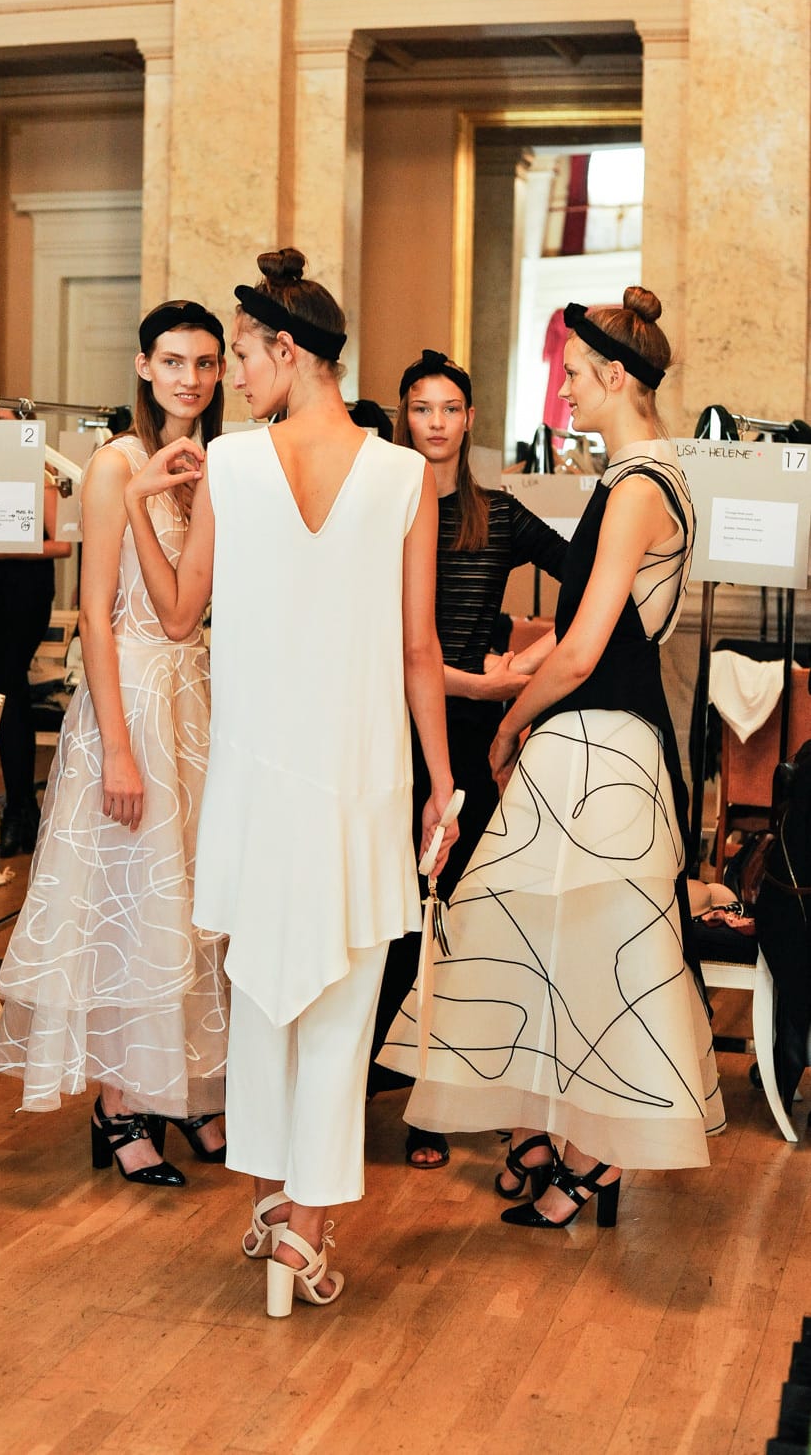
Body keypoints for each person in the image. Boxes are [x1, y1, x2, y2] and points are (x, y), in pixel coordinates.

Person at [123, 249, 458, 1314]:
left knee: (265, 988)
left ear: (286, 348)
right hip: (360, 769)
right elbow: (418, 649)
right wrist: (440, 781)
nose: (230, 375)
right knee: (342, 997)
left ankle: (278, 1204)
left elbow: (179, 616)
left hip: (258, 773)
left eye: (241, 354)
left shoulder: (227, 463)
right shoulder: (404, 474)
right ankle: (301, 1228)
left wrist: (134, 502)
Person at [379, 289, 724, 1227]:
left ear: (615, 375)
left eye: (572, 374)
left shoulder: (639, 487)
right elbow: (579, 641)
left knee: (583, 948)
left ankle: (590, 1154)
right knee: (542, 942)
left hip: (598, 743)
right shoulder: (647, 476)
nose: (563, 388)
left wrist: (505, 722)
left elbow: (580, 651)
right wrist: (519, 686)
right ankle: (547, 1134)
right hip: (594, 738)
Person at [0, 301, 230, 1185]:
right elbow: (95, 614)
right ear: (142, 367)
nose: (189, 379)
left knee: (189, 902)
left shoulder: (213, 469)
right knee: (129, 904)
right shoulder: (114, 463)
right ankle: (118, 1105)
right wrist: (118, 751)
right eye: (172, 361)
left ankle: (186, 1089)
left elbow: (198, 609)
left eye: (205, 363)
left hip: (192, 700)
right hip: (125, 698)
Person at [367, 350, 568, 1169]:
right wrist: (483, 683)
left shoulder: (501, 515)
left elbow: (594, 582)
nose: (437, 423)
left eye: (450, 408)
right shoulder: (380, 506)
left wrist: (528, 665)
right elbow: (387, 646)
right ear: (404, 417)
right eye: (422, 408)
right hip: (391, 727)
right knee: (389, 914)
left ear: (471, 419)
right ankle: (365, 1076)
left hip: (473, 737)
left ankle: (432, 1103)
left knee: (452, 914)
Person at [0, 405, 72, 857]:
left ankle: (20, 809)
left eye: (3, 421)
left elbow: (62, 544)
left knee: (9, 686)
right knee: (3, 685)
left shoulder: (42, 475)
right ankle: (19, 808)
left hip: (27, 589)